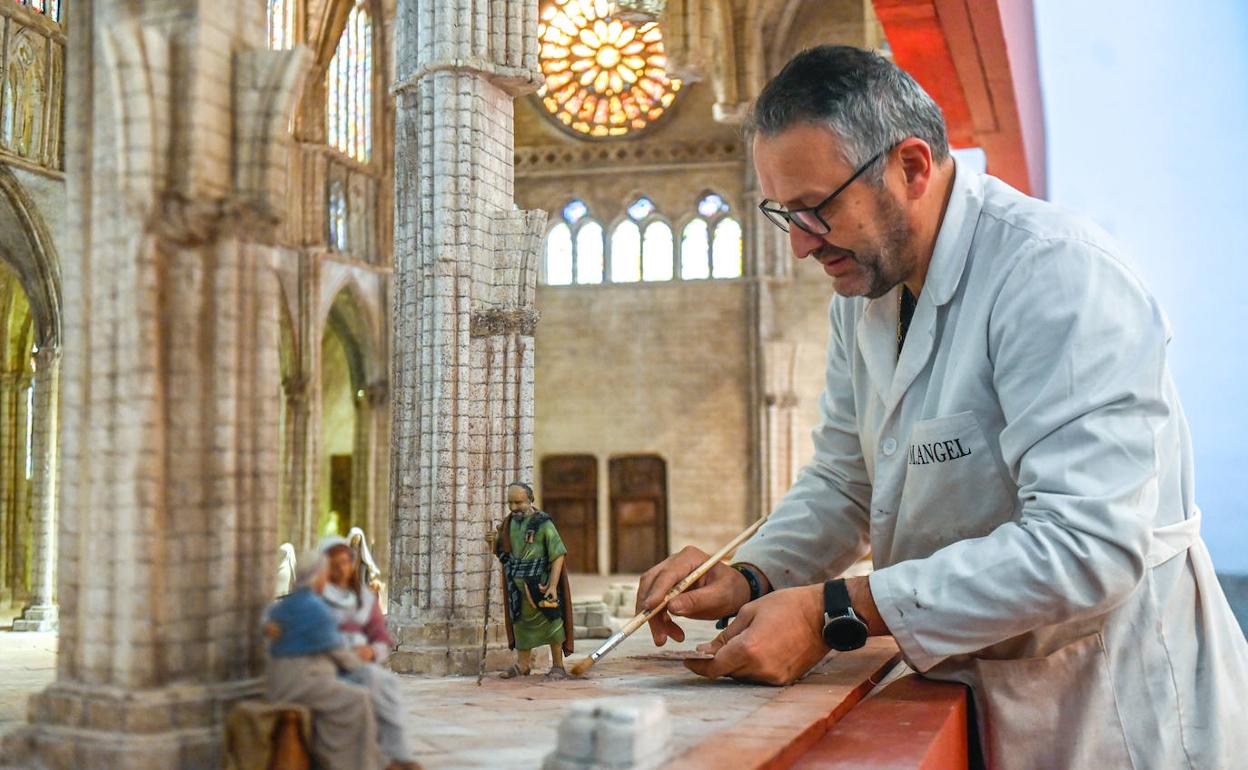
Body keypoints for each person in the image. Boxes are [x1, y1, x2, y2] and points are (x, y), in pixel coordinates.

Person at [636, 45, 1248, 770]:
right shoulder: (865, 292)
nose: (801, 245)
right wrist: (753, 575)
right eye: (784, 213)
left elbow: (1088, 548)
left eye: (817, 209)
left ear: (913, 167)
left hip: (1110, 707)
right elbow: (843, 482)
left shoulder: (1054, 274)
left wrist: (837, 611)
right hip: (977, 686)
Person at [263, 550, 383, 770]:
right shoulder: (315, 608)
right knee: (360, 699)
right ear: (317, 576)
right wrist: (361, 660)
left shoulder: (282, 605)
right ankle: (352, 764)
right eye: (325, 574)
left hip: (279, 680)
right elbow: (339, 654)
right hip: (300, 682)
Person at [320, 536, 421, 770]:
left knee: (384, 685)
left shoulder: (364, 598)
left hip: (361, 663)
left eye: (345, 562)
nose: (341, 569)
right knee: (373, 683)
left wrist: (371, 652)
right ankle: (386, 758)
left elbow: (381, 639)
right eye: (334, 563)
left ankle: (395, 755)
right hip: (326, 665)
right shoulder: (316, 598)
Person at [488, 482, 575, 679]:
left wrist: (552, 585)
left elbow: (558, 554)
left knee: (553, 622)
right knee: (520, 625)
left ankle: (558, 666)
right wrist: (493, 542)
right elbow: (503, 554)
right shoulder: (508, 524)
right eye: (510, 502)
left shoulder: (543, 523)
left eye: (518, 502)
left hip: (541, 584)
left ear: (530, 500)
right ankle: (523, 665)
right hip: (517, 586)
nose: (513, 507)